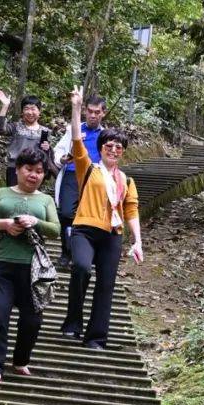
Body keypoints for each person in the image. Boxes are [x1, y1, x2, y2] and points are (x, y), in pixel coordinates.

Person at [60, 86, 143, 351]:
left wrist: (138, 241)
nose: (114, 150)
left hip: (112, 235)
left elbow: (131, 211)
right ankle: (73, 321)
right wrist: (76, 108)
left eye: (119, 147)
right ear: (101, 148)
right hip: (84, 229)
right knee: (82, 267)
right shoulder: (89, 168)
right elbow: (75, 139)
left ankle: (96, 337)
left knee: (106, 284)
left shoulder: (126, 180)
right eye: (109, 146)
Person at [0, 146, 60, 382]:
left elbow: (55, 230)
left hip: (33, 270)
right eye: (29, 169)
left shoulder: (45, 200)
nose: (34, 175)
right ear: (18, 169)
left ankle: (21, 360)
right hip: (2, 265)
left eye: (39, 171)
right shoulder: (2, 193)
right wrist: (3, 224)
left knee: (32, 320)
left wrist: (36, 221)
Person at [52, 92, 107, 266]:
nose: (93, 115)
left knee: (89, 216)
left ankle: (85, 254)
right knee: (67, 213)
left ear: (103, 113)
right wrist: (62, 159)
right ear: (84, 111)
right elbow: (58, 150)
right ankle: (66, 252)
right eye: (90, 111)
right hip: (71, 173)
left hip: (93, 178)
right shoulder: (73, 129)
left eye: (97, 112)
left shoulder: (106, 135)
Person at [0, 90, 57, 187]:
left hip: (34, 172)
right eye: (26, 109)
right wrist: (5, 105)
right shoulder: (16, 126)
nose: (30, 112)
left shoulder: (45, 131)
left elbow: (47, 156)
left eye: (33, 109)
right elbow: (1, 129)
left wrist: (47, 149)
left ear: (39, 112)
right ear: (22, 112)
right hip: (14, 169)